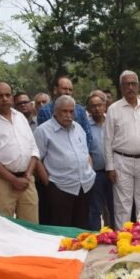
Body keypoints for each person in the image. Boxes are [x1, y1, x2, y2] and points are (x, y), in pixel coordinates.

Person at [104, 70, 140, 229]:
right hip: (122, 162)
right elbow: (107, 140)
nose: (130, 87)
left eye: (133, 84)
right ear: (121, 87)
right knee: (123, 205)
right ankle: (123, 237)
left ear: (138, 86)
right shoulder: (113, 109)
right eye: (126, 84)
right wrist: (110, 167)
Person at [0, 81, 40, 222]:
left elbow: (33, 149)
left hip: (26, 181)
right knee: (3, 226)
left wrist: (27, 175)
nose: (5, 99)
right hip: (1, 182)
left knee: (31, 226)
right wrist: (13, 180)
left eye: (7, 95)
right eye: (0, 96)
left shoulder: (20, 117)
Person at [34, 95, 96, 228]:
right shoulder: (43, 130)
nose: (68, 115)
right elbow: (36, 158)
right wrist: (47, 182)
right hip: (59, 187)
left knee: (82, 228)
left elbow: (85, 152)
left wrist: (89, 170)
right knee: (61, 228)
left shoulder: (78, 128)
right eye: (64, 111)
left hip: (84, 186)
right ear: (55, 112)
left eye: (71, 111)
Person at [36, 76, 93, 153]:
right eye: (64, 89)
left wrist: (85, 154)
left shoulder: (80, 110)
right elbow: (44, 139)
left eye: (70, 90)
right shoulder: (45, 111)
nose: (68, 92)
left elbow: (88, 136)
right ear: (55, 90)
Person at [86, 92, 114, 229]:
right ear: (88, 108)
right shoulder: (85, 125)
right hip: (95, 173)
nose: (96, 108)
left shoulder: (112, 122)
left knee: (115, 207)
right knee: (95, 209)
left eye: (99, 105)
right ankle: (95, 236)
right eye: (93, 106)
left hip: (114, 172)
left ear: (105, 105)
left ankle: (117, 235)